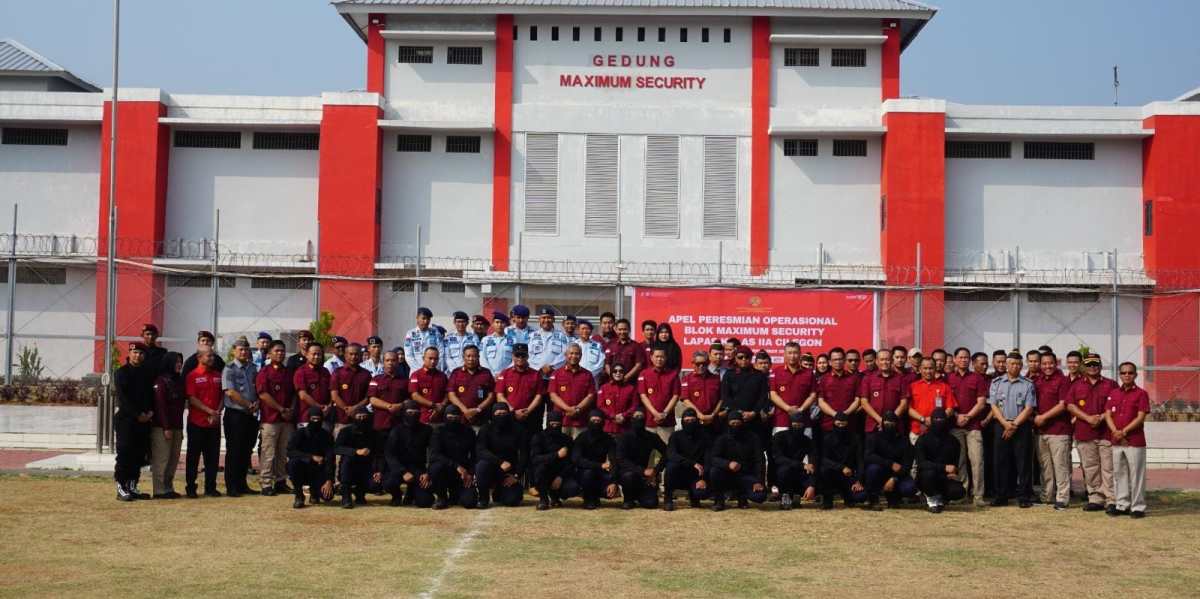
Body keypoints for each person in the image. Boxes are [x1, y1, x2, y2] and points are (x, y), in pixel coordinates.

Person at [1067, 353, 1118, 513]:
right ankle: (1095, 498)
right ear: (1084, 367)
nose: (1092, 367)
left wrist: (1102, 417)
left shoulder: (1111, 384)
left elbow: (1116, 405)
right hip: (1085, 432)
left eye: (1095, 364)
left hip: (1106, 433)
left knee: (1108, 468)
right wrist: (1088, 418)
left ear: (1101, 366)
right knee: (1090, 468)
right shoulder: (1077, 385)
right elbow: (1070, 405)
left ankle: (1111, 499)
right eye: (1089, 365)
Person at [988, 351, 1037, 508]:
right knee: (1000, 461)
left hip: (1021, 427)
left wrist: (1013, 425)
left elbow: (1029, 408)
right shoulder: (996, 382)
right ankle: (1001, 496)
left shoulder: (1028, 384)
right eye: (1012, 364)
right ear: (1006, 365)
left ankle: (1023, 496)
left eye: (1018, 364)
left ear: (1021, 366)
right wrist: (1005, 424)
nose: (1015, 366)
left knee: (1023, 463)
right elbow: (993, 405)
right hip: (1001, 425)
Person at [1105, 363, 1150, 518]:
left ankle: (1138, 507)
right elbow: (1108, 414)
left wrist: (1124, 432)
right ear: (1120, 375)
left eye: (1130, 373)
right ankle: (1122, 504)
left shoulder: (1141, 394)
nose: (1127, 375)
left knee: (1137, 475)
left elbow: (1141, 416)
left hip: (1134, 441)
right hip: (1117, 441)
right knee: (1119, 474)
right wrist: (1115, 432)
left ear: (1135, 375)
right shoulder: (1114, 393)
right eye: (1123, 373)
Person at [947, 347, 989, 506]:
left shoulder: (977, 378)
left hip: (973, 427)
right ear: (955, 359)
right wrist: (956, 416)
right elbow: (946, 401)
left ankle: (978, 496)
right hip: (955, 425)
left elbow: (981, 402)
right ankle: (961, 494)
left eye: (966, 358)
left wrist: (968, 417)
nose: (963, 360)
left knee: (977, 461)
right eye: (961, 357)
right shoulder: (949, 378)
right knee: (960, 462)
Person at [114, 342, 155, 501]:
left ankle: (132, 486)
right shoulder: (121, 373)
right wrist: (137, 415)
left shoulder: (147, 373)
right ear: (129, 353)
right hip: (126, 420)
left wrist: (150, 412)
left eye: (140, 353)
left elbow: (151, 396)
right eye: (135, 352)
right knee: (125, 454)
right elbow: (123, 399)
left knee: (139, 455)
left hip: (143, 421)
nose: (137, 355)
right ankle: (121, 487)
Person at [1033, 351, 1073, 510]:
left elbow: (1063, 404)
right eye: (1044, 363)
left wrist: (1043, 417)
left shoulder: (1063, 381)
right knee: (1045, 467)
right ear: (1040, 365)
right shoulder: (1037, 381)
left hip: (1059, 431)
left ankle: (1062, 498)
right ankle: (1046, 496)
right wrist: (1036, 417)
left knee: (1060, 466)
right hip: (1041, 431)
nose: (1047, 366)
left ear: (1056, 363)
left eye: (1050, 363)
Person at [256, 340, 296, 496]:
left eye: (282, 351)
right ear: (270, 353)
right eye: (277, 351)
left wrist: (290, 409)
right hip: (270, 419)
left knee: (283, 453)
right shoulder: (264, 372)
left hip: (286, 419)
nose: (280, 353)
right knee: (268, 452)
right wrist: (280, 409)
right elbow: (263, 394)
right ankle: (266, 483)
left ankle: (281, 481)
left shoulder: (288, 372)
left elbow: (294, 393)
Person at [706, 410, 767, 511]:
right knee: (714, 472)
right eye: (733, 423)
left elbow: (760, 460)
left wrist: (759, 481)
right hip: (727, 474)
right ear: (728, 424)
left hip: (746, 475)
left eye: (738, 423)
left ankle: (742, 497)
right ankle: (719, 501)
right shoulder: (722, 439)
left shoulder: (753, 438)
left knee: (760, 496)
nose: (735, 426)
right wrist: (728, 464)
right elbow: (713, 458)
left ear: (742, 423)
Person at [221, 339, 259, 497]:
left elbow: (257, 388)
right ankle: (232, 486)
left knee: (246, 450)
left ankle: (242, 484)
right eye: (241, 349)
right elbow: (230, 392)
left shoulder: (253, 368)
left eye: (246, 349)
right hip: (235, 415)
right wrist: (248, 404)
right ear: (234, 351)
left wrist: (257, 403)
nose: (244, 352)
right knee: (234, 451)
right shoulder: (229, 368)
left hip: (251, 415)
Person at [185, 349, 223, 499]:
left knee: (212, 457)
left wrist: (217, 412)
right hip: (197, 423)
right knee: (193, 457)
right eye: (209, 356)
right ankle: (191, 487)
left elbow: (222, 396)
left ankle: (210, 487)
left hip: (213, 423)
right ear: (199, 357)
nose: (212, 358)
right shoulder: (192, 375)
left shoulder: (218, 376)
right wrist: (209, 411)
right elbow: (192, 398)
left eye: (213, 355)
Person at [475, 402, 527, 508]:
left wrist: (517, 476)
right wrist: (500, 462)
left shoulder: (518, 429)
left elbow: (524, 453)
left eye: (504, 413)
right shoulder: (486, 429)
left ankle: (499, 492)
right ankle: (483, 498)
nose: (501, 416)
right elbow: (481, 450)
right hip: (491, 467)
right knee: (481, 466)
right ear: (493, 415)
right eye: (498, 414)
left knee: (512, 500)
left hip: (509, 471)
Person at [383, 400, 435, 508]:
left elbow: (433, 452)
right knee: (388, 483)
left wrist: (428, 472)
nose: (413, 415)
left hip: (418, 469)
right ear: (404, 413)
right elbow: (389, 454)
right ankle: (397, 496)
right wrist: (403, 472)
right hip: (399, 468)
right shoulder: (396, 431)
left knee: (425, 502)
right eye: (410, 412)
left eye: (416, 412)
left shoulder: (427, 430)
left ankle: (411, 493)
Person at [613, 410, 667, 509]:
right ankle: (628, 499)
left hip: (645, 477)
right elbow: (621, 460)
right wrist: (642, 471)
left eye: (641, 417)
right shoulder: (624, 437)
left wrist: (656, 470)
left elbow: (667, 453)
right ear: (632, 420)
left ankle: (639, 495)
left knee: (651, 503)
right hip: (627, 472)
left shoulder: (651, 437)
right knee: (629, 476)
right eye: (636, 417)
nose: (639, 419)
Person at [150, 351, 185, 499]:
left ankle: (168, 487)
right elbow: (160, 405)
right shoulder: (161, 381)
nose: (179, 364)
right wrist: (166, 427)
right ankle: (159, 490)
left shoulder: (179, 381)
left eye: (180, 362)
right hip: (162, 427)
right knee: (162, 459)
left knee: (173, 459)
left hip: (177, 426)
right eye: (176, 362)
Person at [915, 408, 965, 513]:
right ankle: (930, 498)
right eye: (936, 419)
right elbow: (921, 464)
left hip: (944, 477)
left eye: (942, 419)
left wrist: (954, 472)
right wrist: (943, 467)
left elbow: (954, 465)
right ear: (931, 420)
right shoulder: (922, 440)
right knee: (929, 474)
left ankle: (941, 498)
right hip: (926, 477)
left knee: (959, 491)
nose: (939, 422)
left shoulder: (954, 441)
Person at [863, 412, 917, 509]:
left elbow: (907, 464)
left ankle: (894, 497)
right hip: (880, 472)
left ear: (897, 424)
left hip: (898, 474)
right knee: (872, 469)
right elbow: (868, 456)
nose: (889, 425)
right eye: (887, 423)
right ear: (882, 423)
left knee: (909, 488)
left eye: (892, 423)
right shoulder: (875, 437)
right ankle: (873, 499)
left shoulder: (904, 440)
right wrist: (889, 463)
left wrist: (894, 478)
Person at [429, 404, 478, 509]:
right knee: (435, 467)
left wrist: (471, 472)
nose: (453, 420)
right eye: (450, 418)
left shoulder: (469, 432)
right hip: (445, 470)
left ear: (460, 418)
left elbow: (475, 455)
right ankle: (441, 497)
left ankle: (455, 495)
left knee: (470, 502)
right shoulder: (439, 431)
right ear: (445, 417)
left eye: (456, 418)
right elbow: (435, 455)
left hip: (463, 474)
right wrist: (456, 466)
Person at [663, 408, 712, 510]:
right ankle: (668, 498)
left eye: (692, 420)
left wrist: (704, 479)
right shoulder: (675, 436)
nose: (690, 423)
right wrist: (692, 463)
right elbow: (671, 454)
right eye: (687, 421)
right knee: (671, 466)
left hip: (696, 474)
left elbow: (708, 459)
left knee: (702, 493)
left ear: (697, 421)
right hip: (679, 473)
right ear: (682, 422)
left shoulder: (705, 437)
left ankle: (694, 496)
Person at [286, 407, 335, 508]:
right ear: (309, 419)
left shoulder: (327, 436)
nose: (316, 421)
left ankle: (315, 493)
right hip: (302, 469)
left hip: (319, 470)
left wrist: (329, 480)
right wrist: (311, 457)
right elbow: (290, 452)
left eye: (318, 419)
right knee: (292, 463)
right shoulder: (300, 433)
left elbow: (330, 458)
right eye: (313, 419)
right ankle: (299, 496)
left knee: (327, 496)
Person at [570, 410, 617, 509]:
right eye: (593, 420)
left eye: (598, 421)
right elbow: (576, 459)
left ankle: (595, 497)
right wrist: (599, 465)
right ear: (588, 421)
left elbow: (613, 460)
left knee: (610, 488)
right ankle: (588, 499)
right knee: (588, 473)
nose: (596, 423)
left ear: (603, 422)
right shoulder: (581, 438)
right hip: (583, 472)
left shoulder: (608, 439)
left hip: (600, 473)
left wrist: (613, 482)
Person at [496, 343, 544, 438]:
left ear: (528, 356)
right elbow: (499, 395)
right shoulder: (505, 373)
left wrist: (527, 411)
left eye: (523, 355)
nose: (520, 358)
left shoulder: (536, 374)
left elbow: (539, 396)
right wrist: (513, 411)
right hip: (510, 417)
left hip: (530, 418)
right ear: (512, 356)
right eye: (517, 355)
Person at [819, 411, 866, 509]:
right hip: (832, 474)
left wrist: (859, 480)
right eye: (838, 424)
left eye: (843, 424)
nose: (840, 426)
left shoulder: (855, 438)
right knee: (824, 471)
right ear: (834, 423)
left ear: (847, 424)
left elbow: (860, 460)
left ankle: (848, 498)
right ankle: (827, 500)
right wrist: (841, 467)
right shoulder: (827, 438)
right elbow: (823, 459)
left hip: (849, 475)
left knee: (861, 497)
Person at [772, 411, 817, 510]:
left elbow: (813, 461)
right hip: (782, 470)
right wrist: (802, 465)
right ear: (790, 424)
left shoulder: (807, 440)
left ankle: (797, 495)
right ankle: (786, 497)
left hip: (798, 470)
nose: (797, 428)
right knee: (784, 471)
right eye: (795, 425)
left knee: (818, 477)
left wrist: (812, 485)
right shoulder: (779, 436)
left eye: (800, 426)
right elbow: (779, 458)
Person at [530, 410, 574, 511]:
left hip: (560, 473)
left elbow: (571, 462)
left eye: (558, 424)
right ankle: (543, 499)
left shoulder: (566, 439)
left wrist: (561, 476)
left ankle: (555, 496)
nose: (555, 426)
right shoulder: (538, 437)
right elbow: (535, 459)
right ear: (547, 423)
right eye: (552, 424)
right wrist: (556, 455)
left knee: (573, 488)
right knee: (540, 469)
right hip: (544, 472)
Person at [550, 344, 597, 437]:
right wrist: (568, 409)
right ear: (566, 355)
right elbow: (553, 395)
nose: (574, 356)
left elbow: (591, 395)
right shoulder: (556, 373)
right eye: (571, 353)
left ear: (581, 356)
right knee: (561, 446)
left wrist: (577, 409)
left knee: (579, 445)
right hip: (561, 421)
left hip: (581, 421)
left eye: (577, 354)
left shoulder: (587, 374)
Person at [334, 407, 377, 508]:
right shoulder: (345, 431)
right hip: (349, 465)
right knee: (347, 460)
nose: (362, 419)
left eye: (364, 417)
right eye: (359, 416)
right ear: (354, 417)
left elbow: (379, 451)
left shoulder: (373, 433)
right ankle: (346, 495)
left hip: (367, 465)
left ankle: (360, 493)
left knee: (376, 485)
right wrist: (355, 451)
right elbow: (337, 448)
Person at [907, 357, 956, 442]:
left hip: (940, 432)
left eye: (931, 368)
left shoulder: (945, 387)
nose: (928, 371)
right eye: (925, 368)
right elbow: (909, 409)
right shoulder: (912, 386)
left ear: (935, 369)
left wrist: (935, 420)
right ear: (920, 369)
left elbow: (950, 409)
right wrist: (923, 419)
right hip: (917, 431)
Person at [447, 345, 496, 429]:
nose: (471, 359)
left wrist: (477, 409)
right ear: (463, 357)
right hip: (460, 420)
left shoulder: (486, 373)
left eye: (474, 356)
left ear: (478, 357)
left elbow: (491, 395)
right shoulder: (456, 373)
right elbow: (451, 395)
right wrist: (465, 411)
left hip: (481, 420)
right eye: (468, 356)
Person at [638, 348, 681, 444]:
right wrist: (655, 414)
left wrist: (664, 414)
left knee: (667, 450)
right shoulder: (644, 374)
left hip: (667, 422)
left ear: (666, 358)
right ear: (651, 358)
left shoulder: (673, 375)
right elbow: (643, 396)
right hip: (650, 421)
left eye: (662, 357)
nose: (659, 359)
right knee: (648, 451)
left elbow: (675, 396)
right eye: (657, 356)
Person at [331, 343, 372, 439]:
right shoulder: (337, 373)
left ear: (361, 356)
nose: (354, 357)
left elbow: (368, 397)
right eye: (351, 354)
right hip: (342, 421)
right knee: (340, 446)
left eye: (356, 354)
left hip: (361, 420)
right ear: (345, 355)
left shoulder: (366, 374)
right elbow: (334, 396)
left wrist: (355, 408)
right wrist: (347, 410)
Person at [293, 342, 332, 430]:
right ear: (307, 355)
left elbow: (331, 392)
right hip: (306, 418)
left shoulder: (325, 372)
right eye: (314, 354)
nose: (316, 357)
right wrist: (319, 407)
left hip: (324, 418)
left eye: (319, 354)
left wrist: (329, 407)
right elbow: (303, 395)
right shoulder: (301, 372)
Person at [681, 351, 722, 429]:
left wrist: (713, 414)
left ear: (708, 363)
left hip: (714, 420)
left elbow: (721, 399)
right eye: (698, 364)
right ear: (693, 363)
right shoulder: (686, 379)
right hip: (694, 420)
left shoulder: (716, 378)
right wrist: (699, 415)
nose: (701, 366)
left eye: (704, 364)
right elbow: (685, 400)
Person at [409, 346, 449, 425]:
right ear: (423, 358)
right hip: (421, 419)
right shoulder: (415, 375)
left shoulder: (442, 376)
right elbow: (415, 395)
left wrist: (441, 406)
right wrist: (433, 405)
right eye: (430, 358)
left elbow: (447, 394)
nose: (433, 361)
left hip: (439, 418)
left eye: (435, 359)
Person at [597, 363, 638, 434]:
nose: (618, 373)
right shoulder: (604, 388)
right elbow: (600, 406)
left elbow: (634, 405)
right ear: (611, 373)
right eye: (615, 371)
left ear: (624, 373)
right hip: (608, 428)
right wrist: (613, 416)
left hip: (625, 428)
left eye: (621, 371)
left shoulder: (631, 388)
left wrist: (624, 415)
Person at [529, 307, 568, 380]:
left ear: (553, 320)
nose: (546, 320)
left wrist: (552, 367)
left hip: (554, 374)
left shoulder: (561, 336)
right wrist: (540, 368)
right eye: (543, 318)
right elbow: (529, 354)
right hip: (536, 374)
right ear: (539, 319)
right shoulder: (532, 336)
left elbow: (565, 354)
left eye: (549, 318)